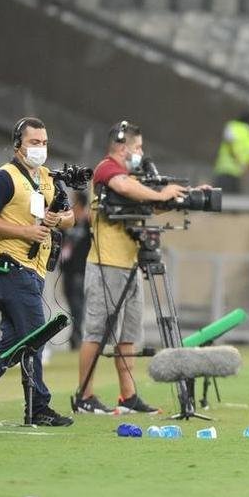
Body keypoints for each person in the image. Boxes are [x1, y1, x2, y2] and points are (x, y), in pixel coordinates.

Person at [0, 117, 75, 426]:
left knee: (14, 341)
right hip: (10, 266)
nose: (40, 148)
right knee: (36, 333)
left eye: (44, 143)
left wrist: (56, 221)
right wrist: (24, 232)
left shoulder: (46, 177)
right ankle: (38, 407)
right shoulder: (3, 178)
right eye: (34, 142)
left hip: (32, 271)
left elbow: (70, 217)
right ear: (17, 144)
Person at [74, 120, 189, 415]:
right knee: (97, 332)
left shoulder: (131, 180)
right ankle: (84, 395)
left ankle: (128, 396)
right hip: (105, 264)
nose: (141, 152)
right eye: (137, 147)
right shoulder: (106, 170)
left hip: (129, 263)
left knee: (129, 335)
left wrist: (178, 196)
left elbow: (148, 205)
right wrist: (160, 194)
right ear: (122, 147)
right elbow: (123, 186)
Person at [59, 191, 91, 349]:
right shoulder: (68, 223)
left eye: (74, 202)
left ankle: (76, 337)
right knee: (72, 304)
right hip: (67, 270)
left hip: (81, 270)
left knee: (78, 304)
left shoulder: (88, 224)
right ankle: (75, 335)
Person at [212, 111, 249, 194]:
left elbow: (229, 144)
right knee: (234, 201)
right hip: (238, 174)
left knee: (219, 199)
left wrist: (235, 157)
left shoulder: (232, 126)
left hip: (224, 170)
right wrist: (245, 173)